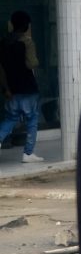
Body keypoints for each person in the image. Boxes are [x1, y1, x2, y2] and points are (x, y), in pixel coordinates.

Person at [0, 10, 42, 162]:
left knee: (10, 118)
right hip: (28, 88)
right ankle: (28, 153)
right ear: (26, 26)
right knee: (31, 120)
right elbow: (32, 63)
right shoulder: (27, 42)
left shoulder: (3, 43)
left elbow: (1, 70)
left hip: (12, 89)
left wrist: (6, 88)